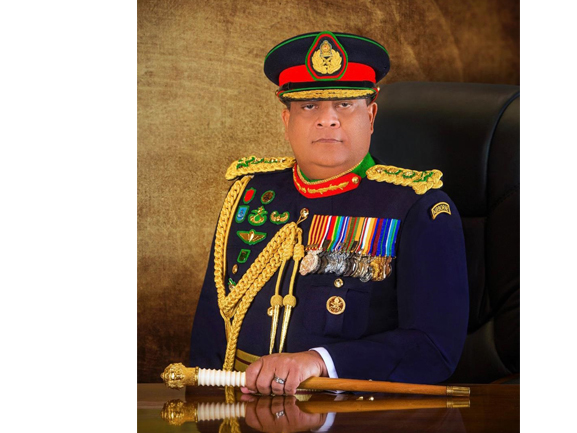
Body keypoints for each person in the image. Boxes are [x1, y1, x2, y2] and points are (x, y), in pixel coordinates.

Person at [190, 31, 469, 396]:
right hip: (239, 401)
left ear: (370, 115)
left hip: (351, 409)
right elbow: (212, 328)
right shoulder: (248, 195)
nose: (328, 120)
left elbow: (435, 349)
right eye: (309, 106)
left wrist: (320, 361)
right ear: (286, 119)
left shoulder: (417, 208)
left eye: (345, 105)